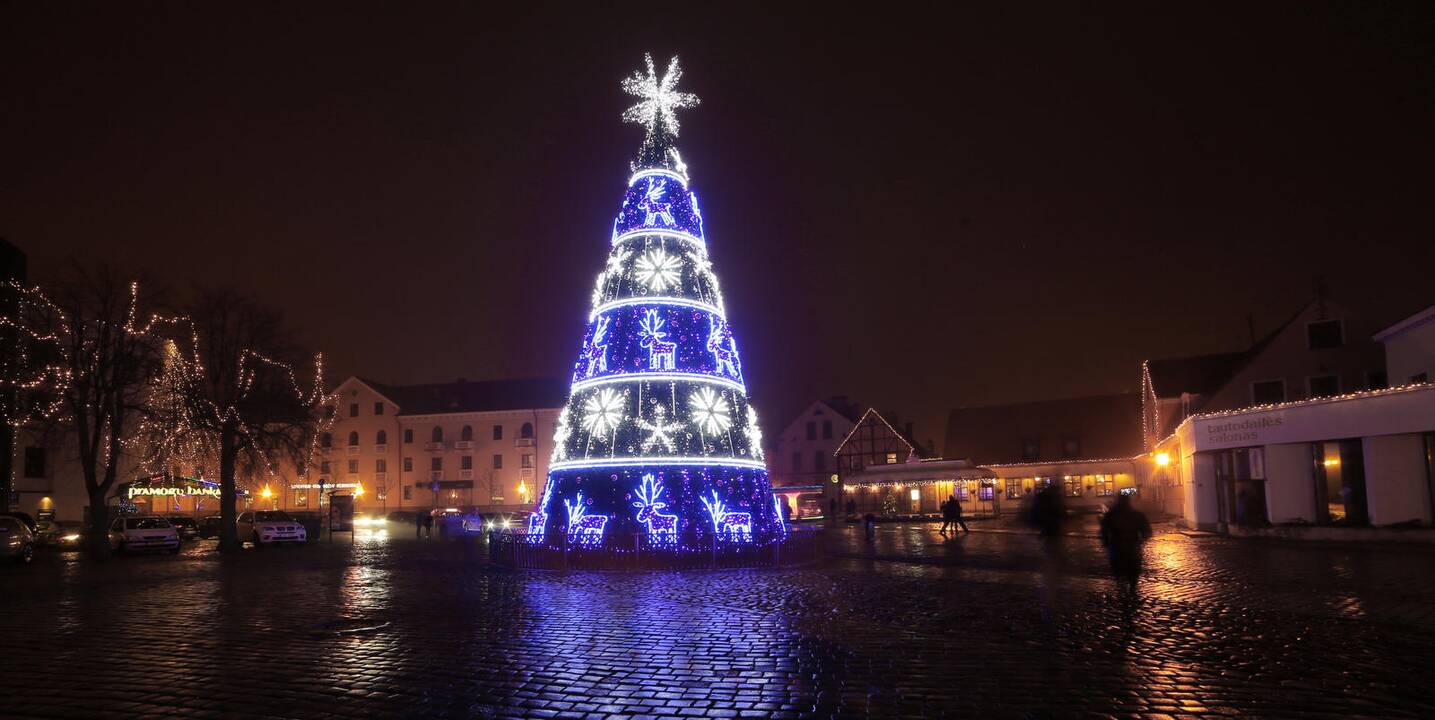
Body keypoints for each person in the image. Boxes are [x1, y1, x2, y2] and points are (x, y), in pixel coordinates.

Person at [1099, 493, 1153, 592]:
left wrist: (1106, 542)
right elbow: (1147, 530)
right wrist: (1143, 539)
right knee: (1134, 565)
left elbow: (1104, 531)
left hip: (1116, 544)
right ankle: (1132, 584)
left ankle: (1121, 582)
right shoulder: (1137, 514)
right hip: (1132, 544)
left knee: (1117, 564)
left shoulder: (1110, 515)